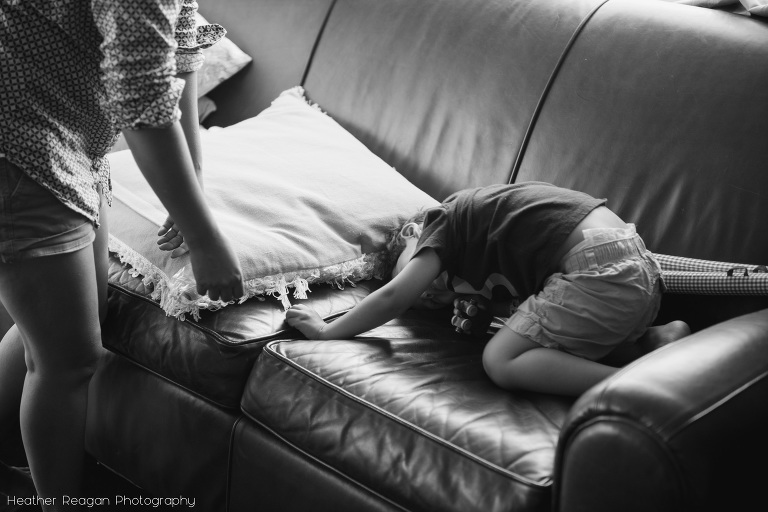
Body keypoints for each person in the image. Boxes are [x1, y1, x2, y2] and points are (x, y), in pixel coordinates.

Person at [0, 0, 243, 507]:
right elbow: (140, 101)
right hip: (21, 146)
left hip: (71, 144)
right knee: (68, 361)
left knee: (70, 328)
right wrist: (204, 238)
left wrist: (193, 186)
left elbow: (179, 54)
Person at [286, 182, 690, 397]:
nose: (427, 293)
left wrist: (326, 330)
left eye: (414, 276)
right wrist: (490, 313)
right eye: (431, 300)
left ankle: (634, 384)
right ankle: (652, 342)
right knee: (547, 348)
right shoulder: (491, 241)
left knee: (501, 360)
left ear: (412, 234)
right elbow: (546, 310)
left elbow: (394, 297)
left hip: (595, 270)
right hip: (634, 272)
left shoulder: (442, 220)